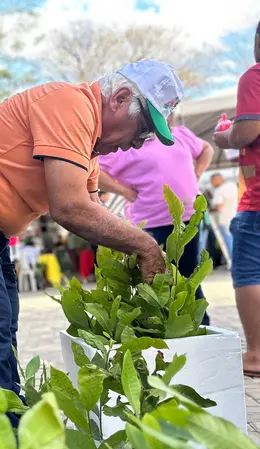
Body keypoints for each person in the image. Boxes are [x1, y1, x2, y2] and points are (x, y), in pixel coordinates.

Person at [0, 60, 179, 449]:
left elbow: (94, 209)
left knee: (2, 322)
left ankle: (11, 431)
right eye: (142, 130)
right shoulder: (69, 104)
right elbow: (70, 209)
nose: (137, 144)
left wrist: (129, 281)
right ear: (120, 97)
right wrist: (145, 246)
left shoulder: (87, 149)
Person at [98, 112, 213, 325]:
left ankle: (199, 326)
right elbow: (93, 169)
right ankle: (160, 330)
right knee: (156, 281)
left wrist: (197, 173)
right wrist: (122, 190)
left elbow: (206, 149)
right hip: (149, 222)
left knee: (189, 277)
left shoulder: (179, 134)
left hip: (187, 218)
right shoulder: (128, 143)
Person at [213, 20, 260, 378]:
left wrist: (224, 136)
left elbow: (247, 132)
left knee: (248, 269)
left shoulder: (254, 76)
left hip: (257, 201)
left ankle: (256, 354)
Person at [210, 172, 239, 258]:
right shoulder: (233, 185)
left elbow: (219, 207)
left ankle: (234, 262)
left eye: (212, 181)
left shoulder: (218, 190)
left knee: (229, 241)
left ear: (217, 180)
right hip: (237, 216)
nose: (211, 183)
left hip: (225, 219)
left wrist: (212, 209)